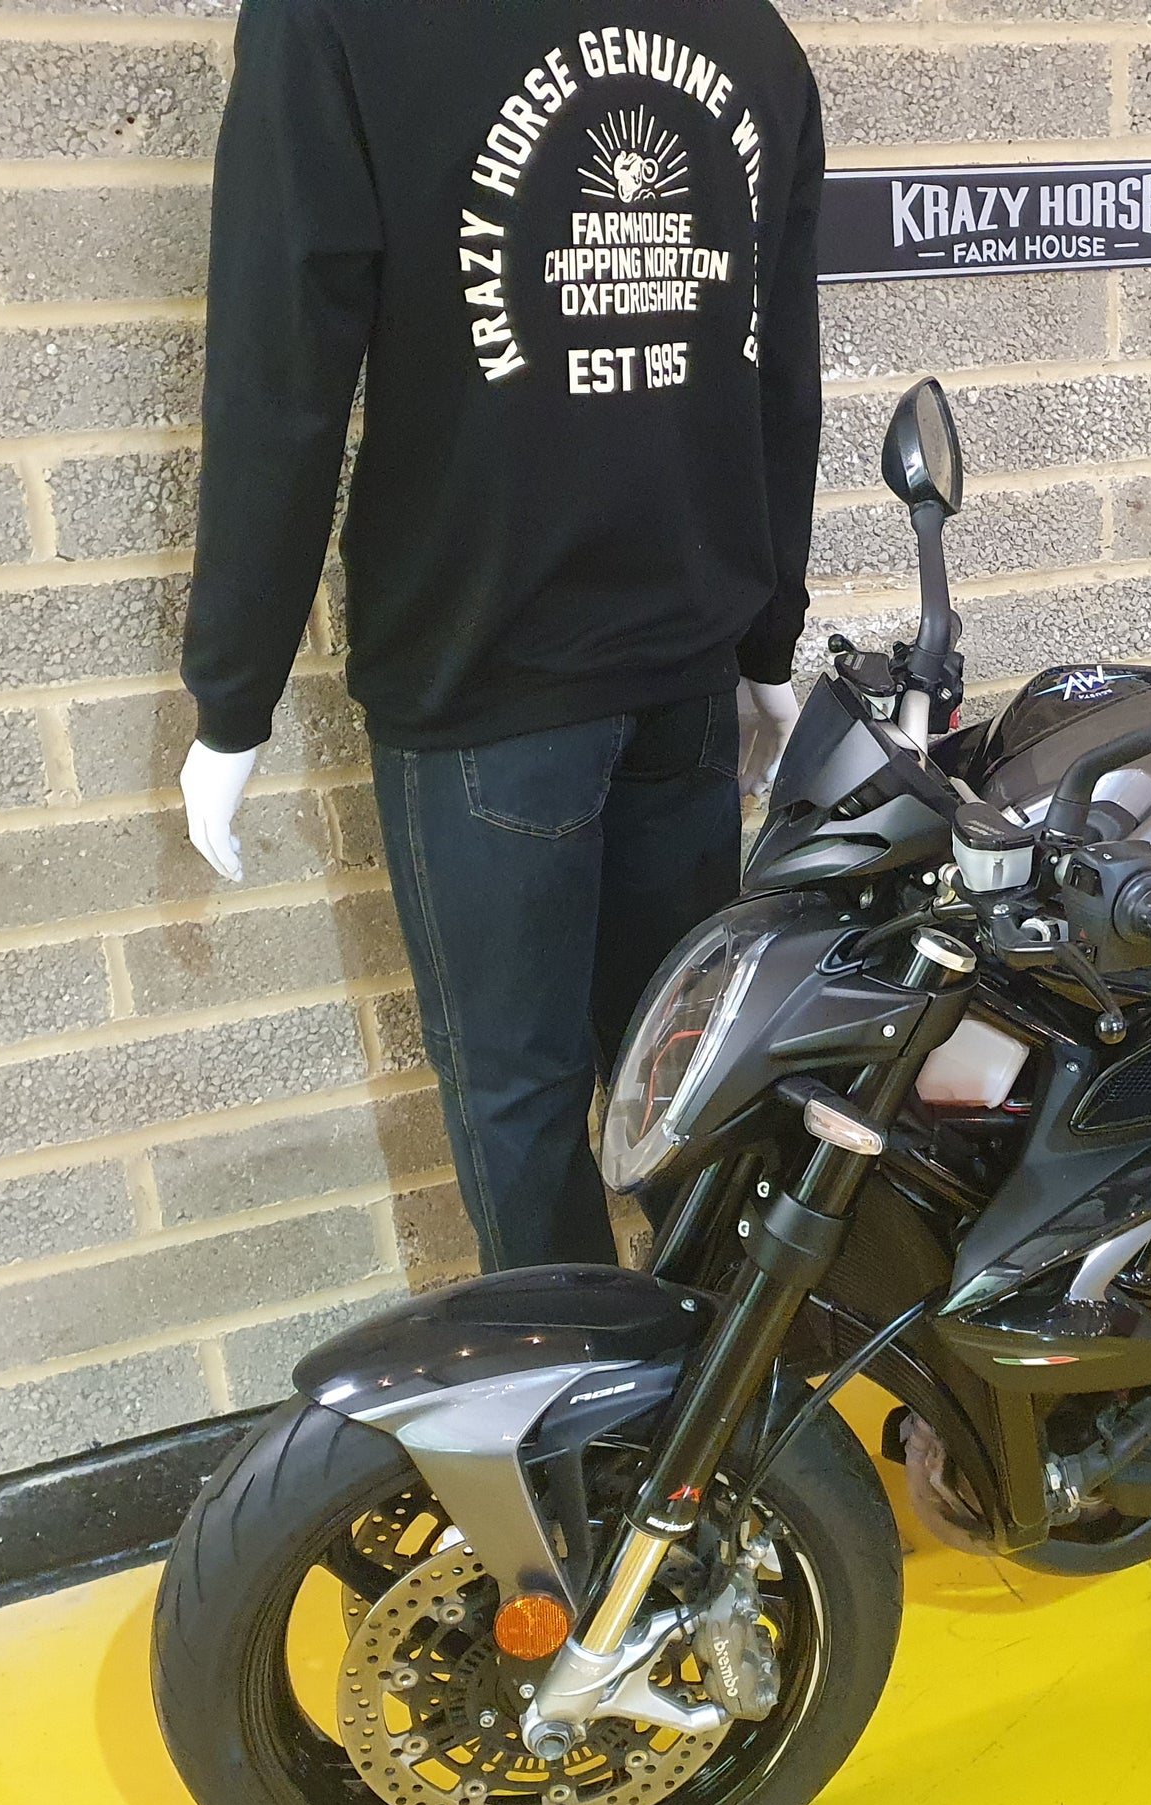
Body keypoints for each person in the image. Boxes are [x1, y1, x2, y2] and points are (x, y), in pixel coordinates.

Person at [176, 1, 822, 1269]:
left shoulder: (337, 22)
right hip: (685, 664)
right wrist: (765, 648)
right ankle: (717, 1375)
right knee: (686, 1081)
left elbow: (281, 375)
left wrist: (232, 699)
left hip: (488, 677)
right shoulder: (747, 33)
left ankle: (583, 1390)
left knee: (525, 1100)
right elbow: (779, 372)